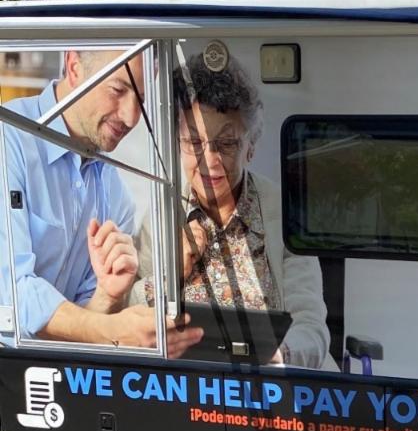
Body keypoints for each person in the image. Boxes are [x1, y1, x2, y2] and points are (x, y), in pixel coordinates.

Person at [133, 53, 333, 369]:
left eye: (226, 144)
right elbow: (131, 318)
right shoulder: (160, 218)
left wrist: (279, 356)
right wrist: (172, 273)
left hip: (273, 386)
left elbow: (311, 328)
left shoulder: (285, 213)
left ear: (250, 146)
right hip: (190, 387)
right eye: (194, 142)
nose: (209, 161)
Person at [0, 47, 201, 356]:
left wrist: (106, 296)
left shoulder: (117, 196)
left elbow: (79, 325)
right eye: (118, 90)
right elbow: (12, 295)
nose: (131, 116)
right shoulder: (8, 139)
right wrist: (114, 332)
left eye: (141, 100)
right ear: (74, 66)